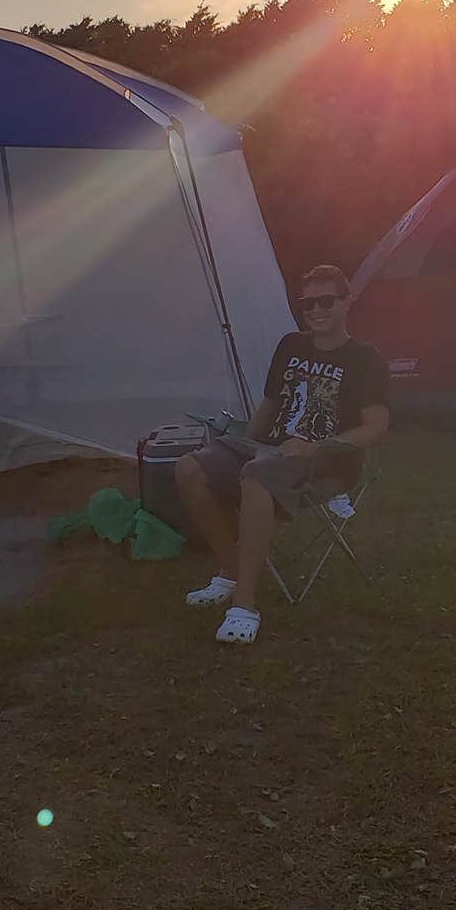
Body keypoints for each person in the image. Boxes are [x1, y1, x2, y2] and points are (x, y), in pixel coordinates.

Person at [176, 264, 390, 646]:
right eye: (307, 303)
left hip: (327, 462)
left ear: (347, 301)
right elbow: (271, 404)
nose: (316, 310)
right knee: (190, 467)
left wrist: (315, 446)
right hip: (271, 449)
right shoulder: (290, 344)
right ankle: (232, 568)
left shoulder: (364, 357)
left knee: (258, 474)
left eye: (326, 301)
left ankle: (244, 604)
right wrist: (241, 443)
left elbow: (375, 426)